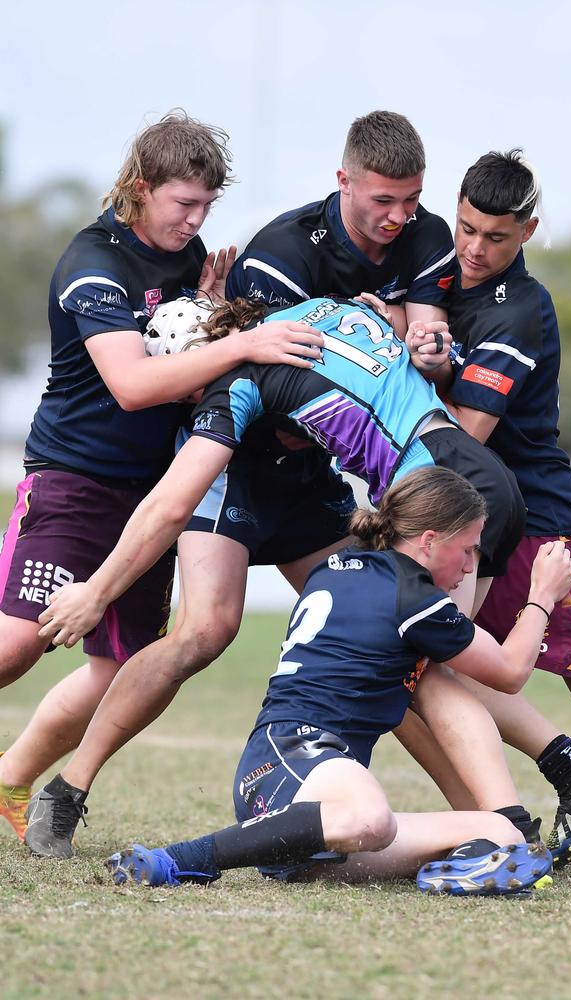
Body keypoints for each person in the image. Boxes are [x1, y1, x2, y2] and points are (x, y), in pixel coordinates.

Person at [13, 110, 466, 858]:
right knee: (204, 632)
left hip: (306, 475)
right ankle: (68, 790)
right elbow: (198, 382)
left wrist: (420, 342)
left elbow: (425, 347)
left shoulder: (418, 238)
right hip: (227, 460)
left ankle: (483, 821)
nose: (398, 216)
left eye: (409, 201)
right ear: (343, 181)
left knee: (389, 629)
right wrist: (254, 339)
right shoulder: (275, 255)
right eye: (383, 200)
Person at [31, 293, 530, 858]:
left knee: (409, 651)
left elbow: (168, 504)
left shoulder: (232, 382)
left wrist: (95, 592)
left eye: (182, 392)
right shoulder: (314, 309)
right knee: (204, 632)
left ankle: (495, 823)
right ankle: (69, 788)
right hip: (257, 474)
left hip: (318, 481)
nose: (184, 401)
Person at [0, 111, 324, 842]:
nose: (197, 219)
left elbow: (185, 359)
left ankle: (12, 775)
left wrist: (211, 312)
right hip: (74, 479)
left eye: (207, 205)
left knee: (120, 665)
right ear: (141, 189)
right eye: (184, 203)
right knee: (20, 643)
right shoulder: (94, 261)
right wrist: (248, 342)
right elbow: (133, 385)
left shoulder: (189, 255)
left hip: (152, 491)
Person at [103, 466, 571, 896]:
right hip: (288, 760)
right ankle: (181, 860)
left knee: (503, 836)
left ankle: (454, 864)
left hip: (318, 805)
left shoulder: (340, 566)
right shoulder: (415, 600)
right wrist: (542, 594)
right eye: (469, 548)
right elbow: (511, 672)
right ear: (429, 541)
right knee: (370, 817)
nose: (471, 565)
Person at [417, 149, 571, 863]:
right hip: (472, 517)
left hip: (539, 523)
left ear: (529, 232)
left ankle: (569, 773)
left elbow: (466, 436)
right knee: (426, 664)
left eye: (496, 238)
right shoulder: (441, 273)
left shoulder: (521, 311)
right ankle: (510, 815)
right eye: (466, 229)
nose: (476, 250)